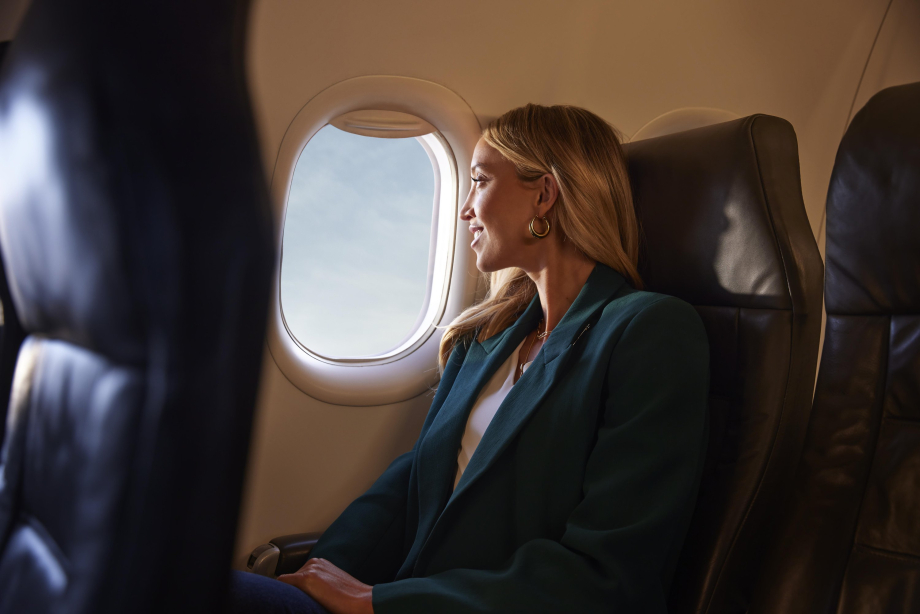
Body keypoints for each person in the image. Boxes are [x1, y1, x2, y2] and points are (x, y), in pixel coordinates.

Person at [229, 104, 710, 614]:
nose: (464, 210)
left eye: (479, 180)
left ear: (544, 195)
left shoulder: (649, 332)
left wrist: (377, 601)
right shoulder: (486, 336)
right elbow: (413, 482)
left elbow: (606, 575)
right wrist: (318, 577)